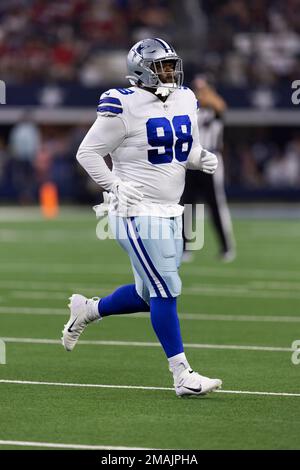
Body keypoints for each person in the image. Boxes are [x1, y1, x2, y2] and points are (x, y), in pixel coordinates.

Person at [61, 38, 222, 397]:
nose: (168, 72)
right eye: (160, 67)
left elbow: (179, 145)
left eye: (170, 65)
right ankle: (182, 374)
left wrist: (199, 158)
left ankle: (88, 309)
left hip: (170, 209)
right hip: (133, 211)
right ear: (140, 70)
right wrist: (114, 184)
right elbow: (87, 153)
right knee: (167, 288)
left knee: (148, 293)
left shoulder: (185, 98)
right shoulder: (123, 104)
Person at [182, 76, 236, 262]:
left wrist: (205, 91)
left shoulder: (215, 106)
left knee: (216, 205)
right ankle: (184, 247)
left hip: (210, 158)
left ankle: (226, 247)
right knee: (187, 204)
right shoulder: (189, 108)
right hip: (192, 159)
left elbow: (220, 105)